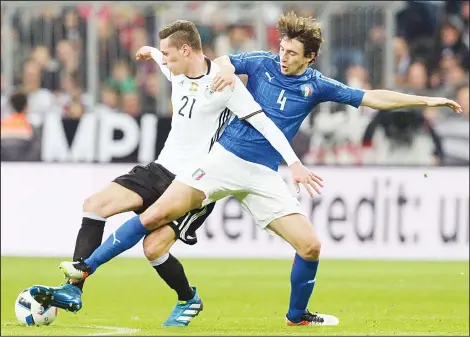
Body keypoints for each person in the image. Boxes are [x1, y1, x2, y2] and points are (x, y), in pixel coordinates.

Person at [53, 11, 461, 327]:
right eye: (281, 49)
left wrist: (427, 101)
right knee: (155, 216)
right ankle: (84, 272)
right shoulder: (263, 62)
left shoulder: (317, 85)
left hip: (264, 174)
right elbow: (223, 60)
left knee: (311, 246)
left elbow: (372, 97)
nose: (282, 58)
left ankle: (297, 315)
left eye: (292, 54)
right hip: (221, 161)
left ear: (310, 58)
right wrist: (227, 67)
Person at [29, 19, 320, 326]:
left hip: (195, 180)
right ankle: (73, 291)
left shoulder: (224, 85)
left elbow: (265, 125)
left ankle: (188, 298)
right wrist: (150, 51)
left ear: (185, 50)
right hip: (159, 168)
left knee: (153, 248)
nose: (164, 61)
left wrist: (294, 163)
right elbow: (163, 59)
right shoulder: (175, 70)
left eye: (168, 54)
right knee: (94, 205)